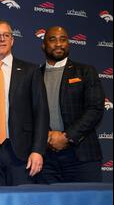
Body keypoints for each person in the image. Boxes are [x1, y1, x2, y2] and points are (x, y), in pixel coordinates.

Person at [0, 20, 49, 186]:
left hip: (22, 153)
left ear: (12, 40)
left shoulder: (30, 71)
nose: (2, 39)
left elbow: (41, 113)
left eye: (6, 35)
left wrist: (38, 151)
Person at [37, 26, 105, 183]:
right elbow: (30, 113)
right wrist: (46, 136)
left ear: (68, 44)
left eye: (63, 39)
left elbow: (95, 109)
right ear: (43, 45)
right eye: (52, 39)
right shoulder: (35, 75)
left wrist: (67, 137)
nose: (58, 44)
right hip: (46, 159)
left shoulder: (85, 71)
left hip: (82, 156)